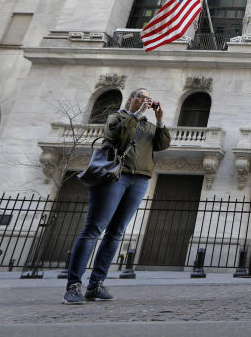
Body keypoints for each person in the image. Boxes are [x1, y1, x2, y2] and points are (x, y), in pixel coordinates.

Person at [62, 88, 170, 304]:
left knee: (116, 233)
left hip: (139, 179)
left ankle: (96, 284)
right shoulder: (117, 118)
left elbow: (162, 144)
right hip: (114, 176)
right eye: (140, 95)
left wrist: (159, 120)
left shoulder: (148, 126)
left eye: (148, 97)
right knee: (94, 229)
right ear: (130, 99)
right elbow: (119, 136)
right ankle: (74, 285)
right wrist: (137, 113)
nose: (145, 99)